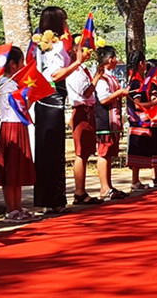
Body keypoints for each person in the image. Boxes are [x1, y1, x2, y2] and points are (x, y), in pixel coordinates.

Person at [34, 6, 88, 213]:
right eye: (64, 21)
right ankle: (51, 200)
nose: (67, 26)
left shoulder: (43, 45)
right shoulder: (52, 47)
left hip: (48, 97)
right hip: (51, 96)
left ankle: (51, 199)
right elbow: (55, 75)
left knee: (51, 148)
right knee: (51, 148)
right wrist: (77, 62)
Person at [0, 47, 37, 220]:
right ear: (13, 65)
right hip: (10, 127)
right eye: (21, 62)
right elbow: (18, 108)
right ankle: (11, 208)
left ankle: (18, 206)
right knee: (10, 169)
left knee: (18, 168)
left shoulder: (14, 83)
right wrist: (30, 98)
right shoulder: (6, 83)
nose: (24, 66)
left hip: (18, 126)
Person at [65, 38, 103, 205]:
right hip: (80, 111)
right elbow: (86, 92)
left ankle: (82, 190)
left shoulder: (83, 69)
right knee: (81, 152)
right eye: (83, 48)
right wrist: (96, 78)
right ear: (74, 50)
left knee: (86, 152)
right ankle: (79, 192)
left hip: (88, 111)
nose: (87, 51)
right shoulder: (73, 71)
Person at [94, 46, 129, 201]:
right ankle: (104, 187)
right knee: (104, 153)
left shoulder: (110, 77)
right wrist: (120, 93)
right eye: (114, 57)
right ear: (110, 59)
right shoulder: (102, 78)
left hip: (112, 120)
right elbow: (103, 99)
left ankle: (108, 185)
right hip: (103, 120)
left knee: (109, 155)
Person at [127, 51, 155, 190]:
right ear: (141, 64)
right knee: (137, 148)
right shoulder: (136, 81)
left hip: (138, 118)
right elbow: (137, 103)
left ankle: (136, 180)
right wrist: (153, 104)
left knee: (138, 148)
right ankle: (135, 180)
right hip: (138, 118)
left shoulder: (134, 79)